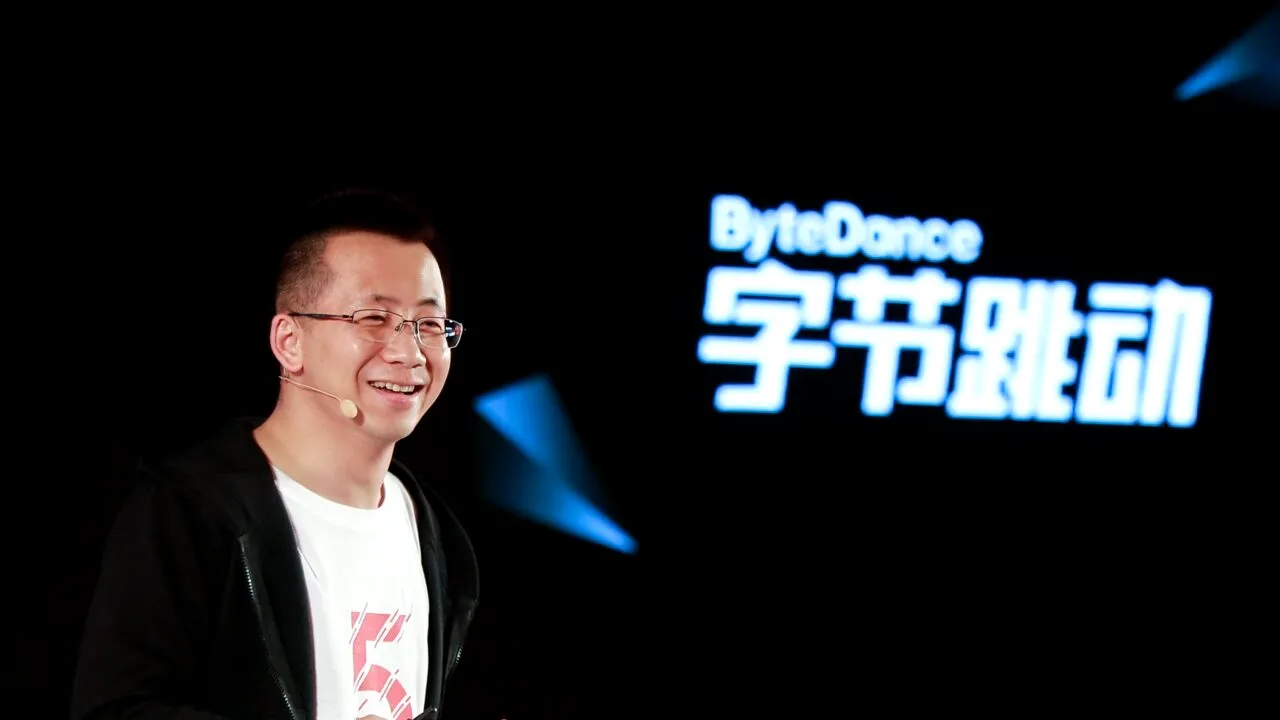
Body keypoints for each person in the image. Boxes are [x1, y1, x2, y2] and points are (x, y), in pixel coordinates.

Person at [70, 189, 480, 720]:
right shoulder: (191, 512)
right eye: (374, 318)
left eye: (428, 325)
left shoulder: (439, 537)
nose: (409, 352)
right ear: (289, 341)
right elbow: (115, 710)